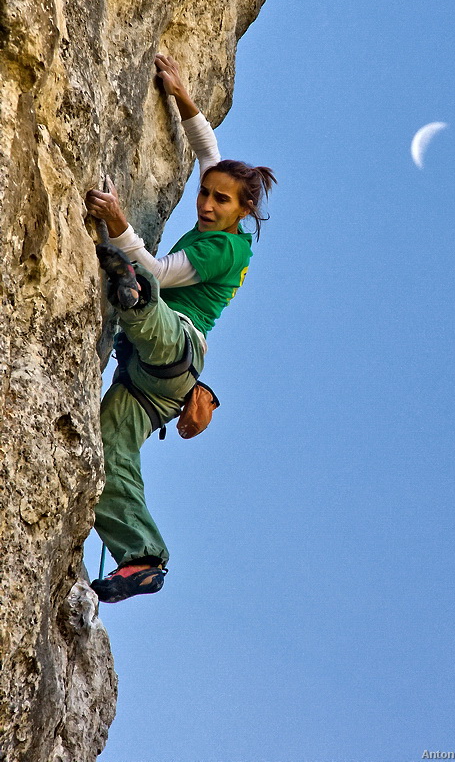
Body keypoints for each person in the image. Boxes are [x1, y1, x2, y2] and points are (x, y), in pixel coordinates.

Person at [85, 54, 276, 603]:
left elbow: (160, 273)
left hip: (177, 347)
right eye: (206, 194)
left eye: (221, 200)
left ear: (243, 212)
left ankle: (128, 297)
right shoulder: (221, 214)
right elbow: (207, 154)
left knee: (140, 290)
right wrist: (184, 98)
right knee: (103, 454)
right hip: (152, 382)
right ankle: (141, 558)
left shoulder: (223, 247)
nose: (207, 203)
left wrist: (119, 226)